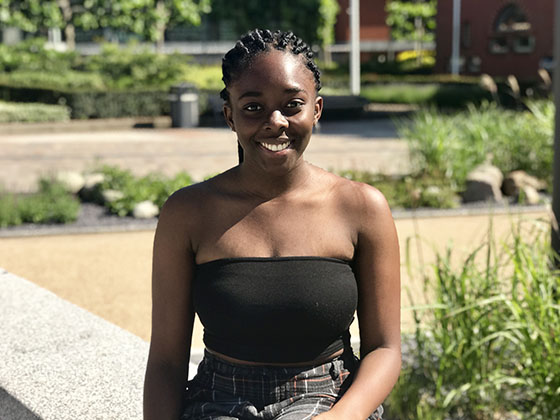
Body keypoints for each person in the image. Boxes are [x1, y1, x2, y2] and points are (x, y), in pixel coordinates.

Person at [144, 29, 401, 420]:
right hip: (216, 402)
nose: (275, 121)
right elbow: (166, 360)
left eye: (292, 105)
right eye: (253, 107)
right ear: (229, 116)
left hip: (328, 399)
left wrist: (340, 417)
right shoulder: (188, 212)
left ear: (316, 109)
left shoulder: (361, 207)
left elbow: (384, 349)